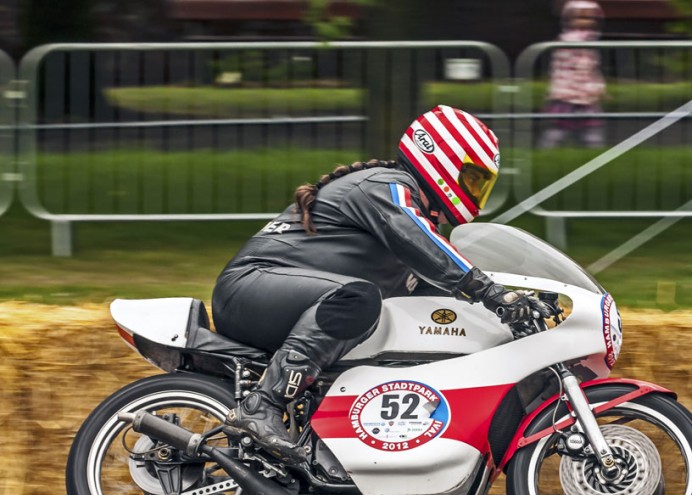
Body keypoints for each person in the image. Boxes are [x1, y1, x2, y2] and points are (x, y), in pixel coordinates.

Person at [212, 105, 548, 463]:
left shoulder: (413, 213)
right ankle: (262, 404)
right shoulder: (386, 187)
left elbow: (437, 289)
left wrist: (516, 307)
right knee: (358, 298)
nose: (476, 192)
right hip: (250, 288)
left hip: (284, 298)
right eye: (472, 178)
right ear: (440, 159)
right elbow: (425, 246)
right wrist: (492, 292)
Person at [538, 0, 606, 149]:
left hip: (584, 94)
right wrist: (593, 88)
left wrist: (598, 87)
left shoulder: (590, 39)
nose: (586, 21)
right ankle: (546, 152)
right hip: (569, 93)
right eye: (580, 17)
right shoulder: (573, 40)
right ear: (568, 19)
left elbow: (592, 68)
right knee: (560, 129)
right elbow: (580, 67)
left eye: (591, 17)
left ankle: (593, 155)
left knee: (590, 130)